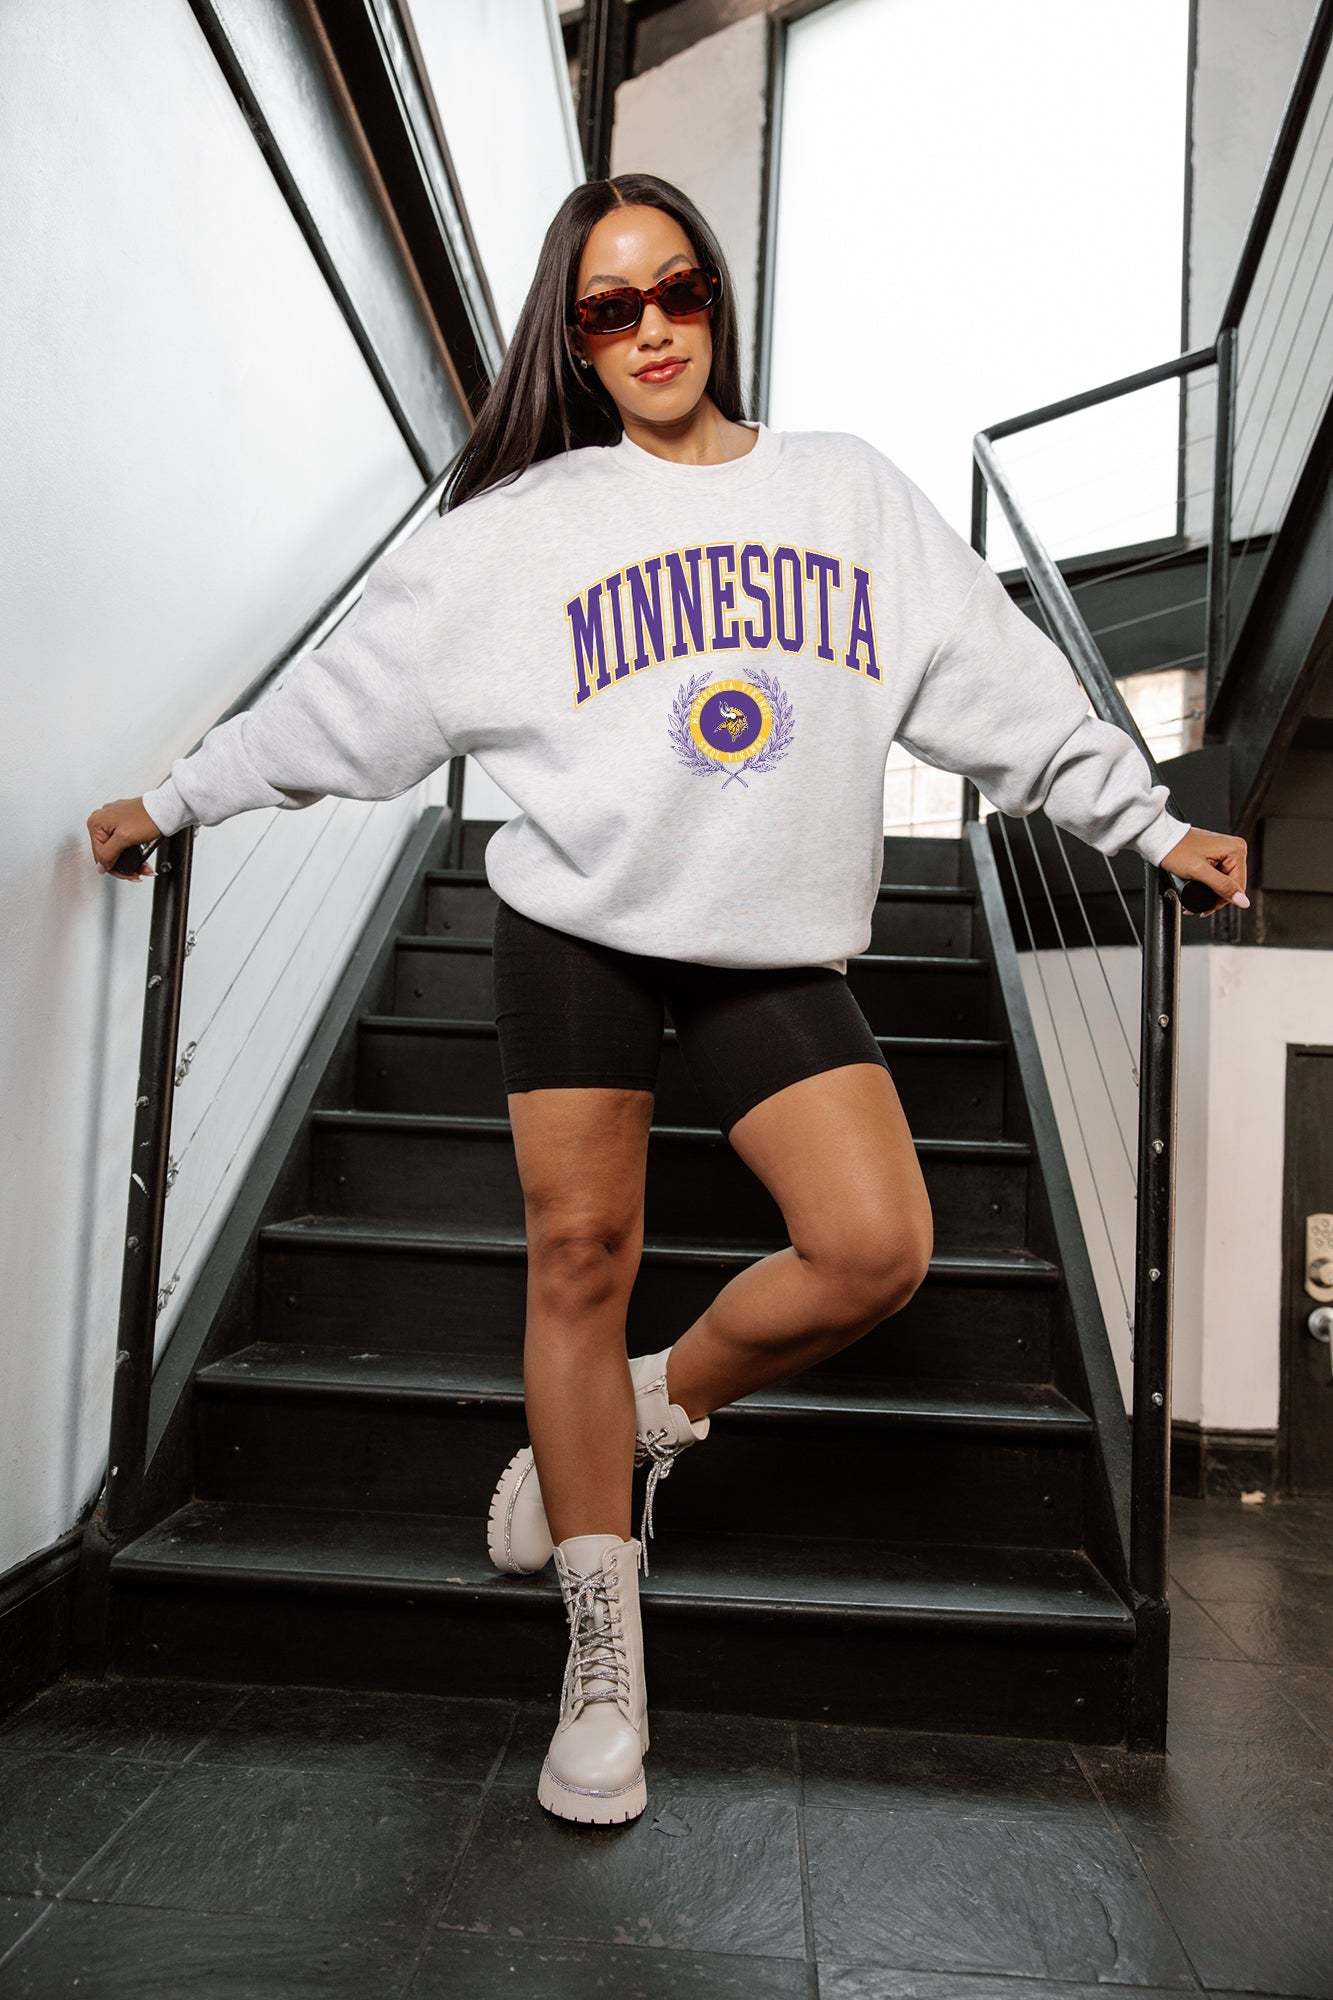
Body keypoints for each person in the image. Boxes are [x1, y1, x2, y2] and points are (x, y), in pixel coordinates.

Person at [86, 174, 1248, 1828]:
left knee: (875, 1247)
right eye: (609, 307)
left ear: (717, 301)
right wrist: (175, 799)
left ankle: (646, 1406)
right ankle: (602, 1645)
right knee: (579, 1255)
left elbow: (1004, 693)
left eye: (678, 290)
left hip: (763, 944)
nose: (651, 330)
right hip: (577, 928)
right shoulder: (522, 527)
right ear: (572, 338)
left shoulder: (844, 492)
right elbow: (347, 702)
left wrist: (1146, 825)